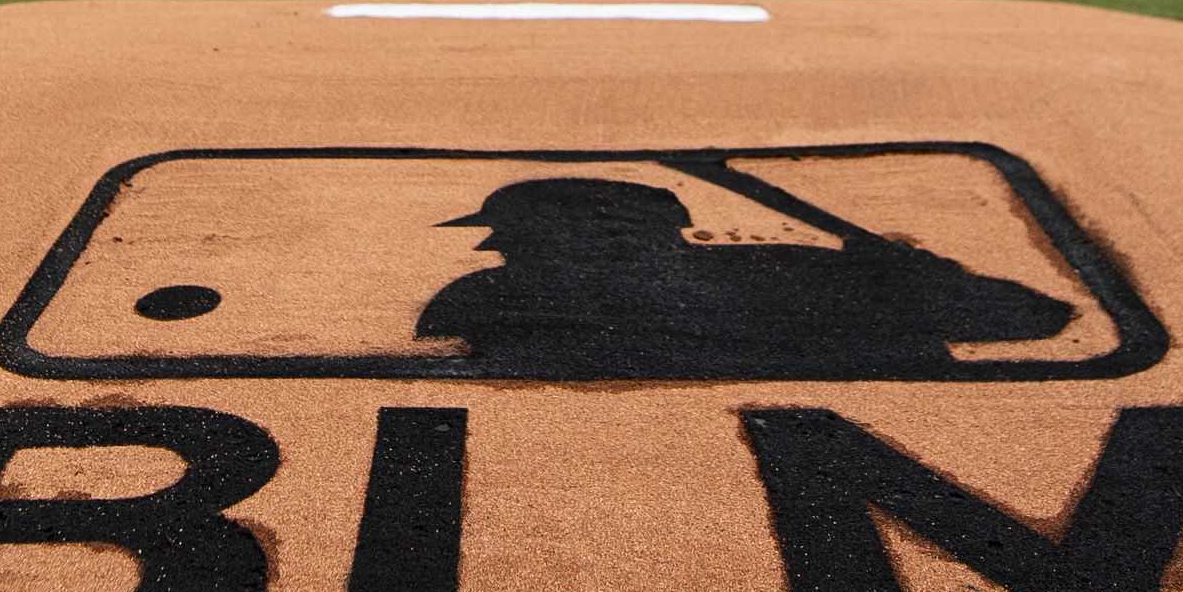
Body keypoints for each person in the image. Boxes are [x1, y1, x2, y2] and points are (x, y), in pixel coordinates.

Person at [416, 176, 1074, 378]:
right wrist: (920, 277)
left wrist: (924, 277)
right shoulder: (810, 274)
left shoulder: (482, 299)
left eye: (512, 240)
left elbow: (1036, 318)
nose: (499, 252)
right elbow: (1038, 318)